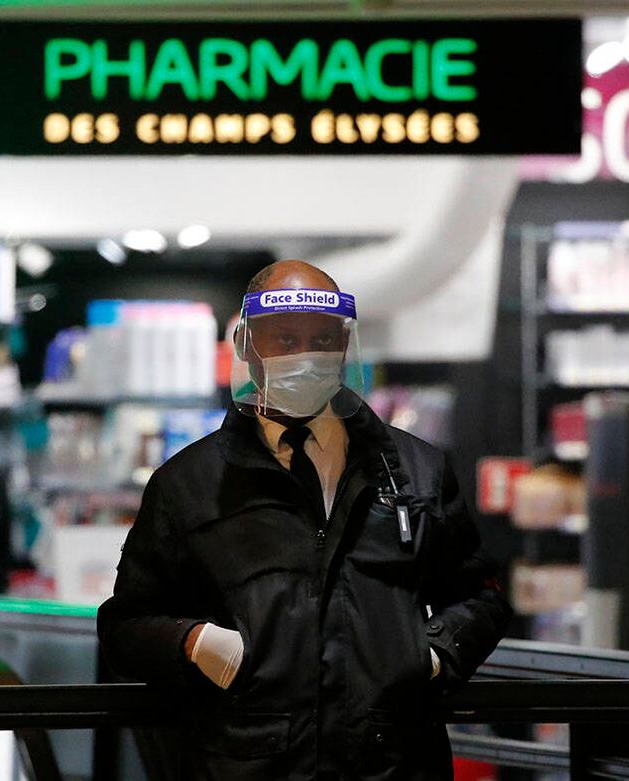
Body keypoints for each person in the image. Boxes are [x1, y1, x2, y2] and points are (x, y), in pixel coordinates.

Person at [98, 260, 511, 780]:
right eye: (285, 338)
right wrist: (196, 643)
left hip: (393, 763)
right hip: (252, 765)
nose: (305, 357)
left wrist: (429, 655)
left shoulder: (415, 470)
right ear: (249, 347)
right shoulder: (191, 483)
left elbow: (481, 595)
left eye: (320, 339)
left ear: (343, 345)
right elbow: (125, 625)